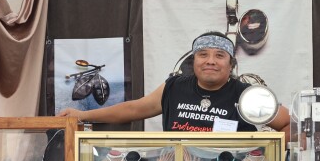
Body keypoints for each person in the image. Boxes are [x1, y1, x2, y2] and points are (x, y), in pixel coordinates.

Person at [56, 31, 290, 134]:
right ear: (193, 61)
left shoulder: (247, 95)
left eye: (219, 56)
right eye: (203, 55)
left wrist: (264, 147)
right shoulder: (174, 87)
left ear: (231, 65)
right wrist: (84, 116)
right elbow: (133, 108)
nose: (210, 61)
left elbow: (293, 126)